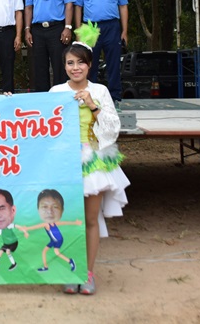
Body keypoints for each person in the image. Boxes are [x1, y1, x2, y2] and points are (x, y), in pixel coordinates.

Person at [49, 23, 129, 295]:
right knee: (67, 219)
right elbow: (40, 125)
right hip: (63, 162)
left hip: (92, 160)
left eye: (80, 63)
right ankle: (70, 270)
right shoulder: (56, 92)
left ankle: (88, 273)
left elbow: (112, 129)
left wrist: (92, 104)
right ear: (64, 66)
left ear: (90, 65)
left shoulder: (101, 91)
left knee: (90, 219)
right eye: (70, 63)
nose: (75, 68)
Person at [75, 0, 128, 103]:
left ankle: (115, 98)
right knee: (89, 64)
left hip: (112, 26)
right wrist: (78, 30)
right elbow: (78, 6)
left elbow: (123, 6)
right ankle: (88, 98)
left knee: (113, 63)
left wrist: (124, 30)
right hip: (90, 27)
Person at [24, 0, 76, 92]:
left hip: (57, 29)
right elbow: (28, 8)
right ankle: (42, 99)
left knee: (60, 65)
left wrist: (68, 27)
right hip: (37, 30)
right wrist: (27, 29)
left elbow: (69, 4)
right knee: (39, 66)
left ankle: (61, 97)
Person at [22, 189, 81, 273]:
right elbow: (64, 222)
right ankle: (46, 267)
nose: (49, 211)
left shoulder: (47, 224)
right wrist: (75, 222)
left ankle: (70, 261)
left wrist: (26, 228)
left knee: (56, 252)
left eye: (55, 207)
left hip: (58, 240)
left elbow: (36, 227)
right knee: (44, 251)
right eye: (44, 207)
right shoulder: (51, 223)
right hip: (53, 240)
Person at [0, 189, 29, 272]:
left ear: (13, 210)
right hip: (6, 243)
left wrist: (25, 231)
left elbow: (17, 226)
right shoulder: (0, 229)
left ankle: (13, 263)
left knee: (7, 252)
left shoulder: (9, 226)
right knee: (0, 252)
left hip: (13, 243)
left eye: (2, 208)